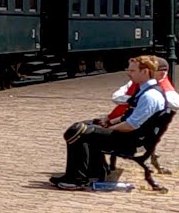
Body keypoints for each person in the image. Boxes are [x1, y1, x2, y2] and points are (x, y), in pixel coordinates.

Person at [51, 56, 167, 190]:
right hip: (134, 135)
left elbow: (131, 125)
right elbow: (129, 115)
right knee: (85, 125)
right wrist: (107, 122)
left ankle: (77, 179)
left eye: (133, 70)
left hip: (132, 140)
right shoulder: (145, 90)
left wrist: (110, 127)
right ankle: (96, 171)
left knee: (79, 131)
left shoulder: (150, 96)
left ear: (145, 72)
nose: (128, 73)